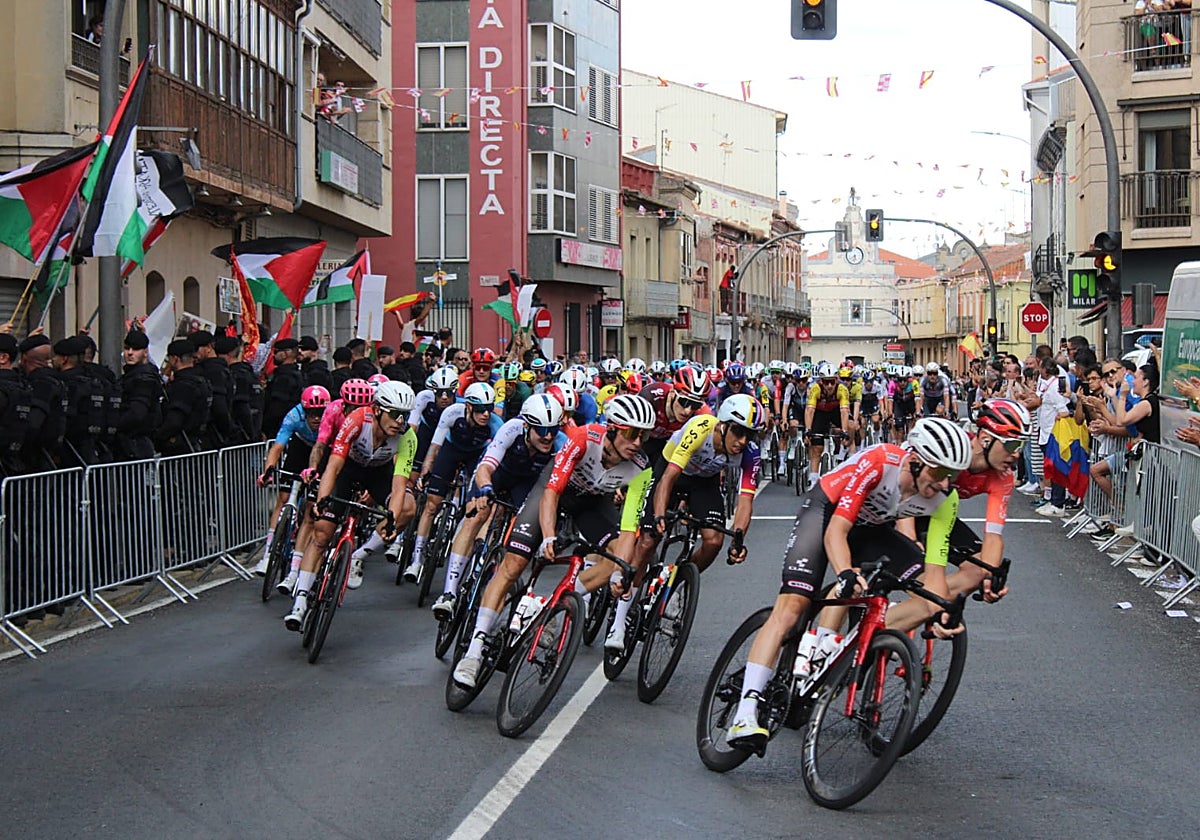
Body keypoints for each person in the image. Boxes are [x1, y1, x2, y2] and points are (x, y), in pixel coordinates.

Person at [725, 417, 972, 753]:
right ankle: (745, 712)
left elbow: (934, 572)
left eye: (953, 476)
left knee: (928, 599)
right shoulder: (879, 462)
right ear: (915, 462)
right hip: (827, 511)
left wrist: (941, 611)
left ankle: (847, 644)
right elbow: (837, 531)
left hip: (873, 528)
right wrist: (845, 573)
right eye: (942, 473)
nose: (946, 485)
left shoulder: (943, 498)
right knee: (793, 606)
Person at [451, 394, 655, 689]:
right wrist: (548, 535)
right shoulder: (584, 438)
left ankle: (550, 605)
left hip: (591, 503)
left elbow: (628, 529)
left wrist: (622, 573)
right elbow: (552, 491)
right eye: (633, 433)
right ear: (612, 428)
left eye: (644, 435)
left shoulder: (641, 468)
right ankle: (474, 652)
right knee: (515, 564)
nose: (638, 442)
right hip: (553, 492)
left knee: (618, 561)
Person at [604, 394, 764, 652]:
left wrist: (739, 539)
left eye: (750, 435)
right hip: (671, 471)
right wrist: (658, 515)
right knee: (647, 541)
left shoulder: (750, 453)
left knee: (714, 541)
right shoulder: (699, 428)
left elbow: (746, 501)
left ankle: (678, 584)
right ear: (722, 425)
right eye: (738, 432)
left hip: (704, 483)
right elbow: (667, 479)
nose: (743, 441)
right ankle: (619, 621)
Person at [284, 381, 417, 628]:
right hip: (347, 469)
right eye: (396, 414)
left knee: (408, 507)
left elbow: (399, 485)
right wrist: (323, 500)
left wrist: (391, 518)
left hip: (378, 474)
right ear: (377, 409)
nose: (401, 421)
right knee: (322, 532)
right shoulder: (357, 419)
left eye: (405, 415)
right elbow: (333, 466)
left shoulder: (407, 437)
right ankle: (300, 599)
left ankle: (359, 556)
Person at [430, 394, 567, 619]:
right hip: (499, 473)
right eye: (542, 430)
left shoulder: (560, 444)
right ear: (526, 426)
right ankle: (449, 594)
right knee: (477, 514)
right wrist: (483, 488)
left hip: (527, 483)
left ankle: (495, 569)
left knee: (523, 533)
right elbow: (486, 467)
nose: (548, 436)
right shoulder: (511, 429)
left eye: (553, 429)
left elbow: (556, 488)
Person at [403, 381, 503, 583]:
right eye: (480, 409)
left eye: (489, 409)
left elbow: (494, 459)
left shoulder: (495, 425)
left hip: (476, 456)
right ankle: (417, 559)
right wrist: (426, 471)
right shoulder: (452, 413)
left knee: (471, 506)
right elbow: (435, 446)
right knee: (432, 504)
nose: (485, 414)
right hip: (450, 450)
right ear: (468, 407)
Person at [156, 339, 213, 455]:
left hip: (180, 448)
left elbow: (174, 420)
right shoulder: (201, 381)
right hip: (197, 442)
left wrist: (157, 438)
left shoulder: (183, 385)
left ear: (175, 359)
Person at [113, 330, 162, 461]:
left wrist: (114, 426)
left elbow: (137, 413)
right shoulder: (136, 375)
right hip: (133, 443)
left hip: (136, 444)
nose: (129, 353)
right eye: (127, 348)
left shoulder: (144, 378)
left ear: (145, 351)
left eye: (135, 349)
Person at [804, 362, 850, 488]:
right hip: (820, 413)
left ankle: (843, 451)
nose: (829, 386)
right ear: (821, 381)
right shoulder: (815, 388)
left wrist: (844, 431)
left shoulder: (842, 389)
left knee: (851, 426)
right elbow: (810, 410)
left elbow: (844, 411)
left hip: (835, 412)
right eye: (826, 382)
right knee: (817, 448)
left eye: (832, 382)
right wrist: (808, 430)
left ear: (837, 380)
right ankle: (813, 479)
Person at [191, 330, 236, 448]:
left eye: (196, 348)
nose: (193, 353)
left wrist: (228, 430)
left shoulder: (214, 370)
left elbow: (219, 406)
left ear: (209, 347)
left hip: (212, 434)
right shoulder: (219, 368)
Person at [261, 337, 305, 440]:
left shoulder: (284, 377)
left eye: (276, 352)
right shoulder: (299, 374)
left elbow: (277, 407)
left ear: (285, 354)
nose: (273, 355)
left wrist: (266, 428)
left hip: (279, 430)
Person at [226, 337, 263, 442]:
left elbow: (241, 407)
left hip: (243, 437)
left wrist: (249, 434)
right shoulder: (252, 375)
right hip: (255, 434)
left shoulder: (237, 375)